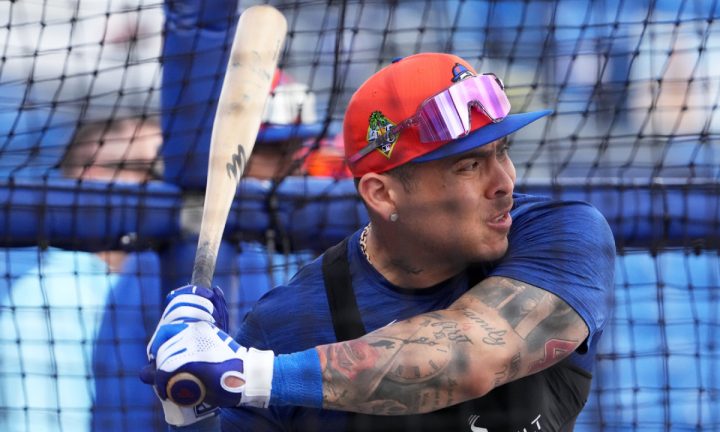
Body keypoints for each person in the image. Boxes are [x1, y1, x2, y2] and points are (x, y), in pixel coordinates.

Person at [143, 52, 616, 432]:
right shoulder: (285, 324)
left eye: (502, 153)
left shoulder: (559, 234)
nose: (505, 182)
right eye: (469, 165)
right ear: (382, 193)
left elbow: (471, 356)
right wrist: (194, 406)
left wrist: (251, 376)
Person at [0, 117, 163, 432]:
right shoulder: (50, 295)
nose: (164, 189)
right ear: (93, 178)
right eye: (151, 172)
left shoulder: (143, 281)